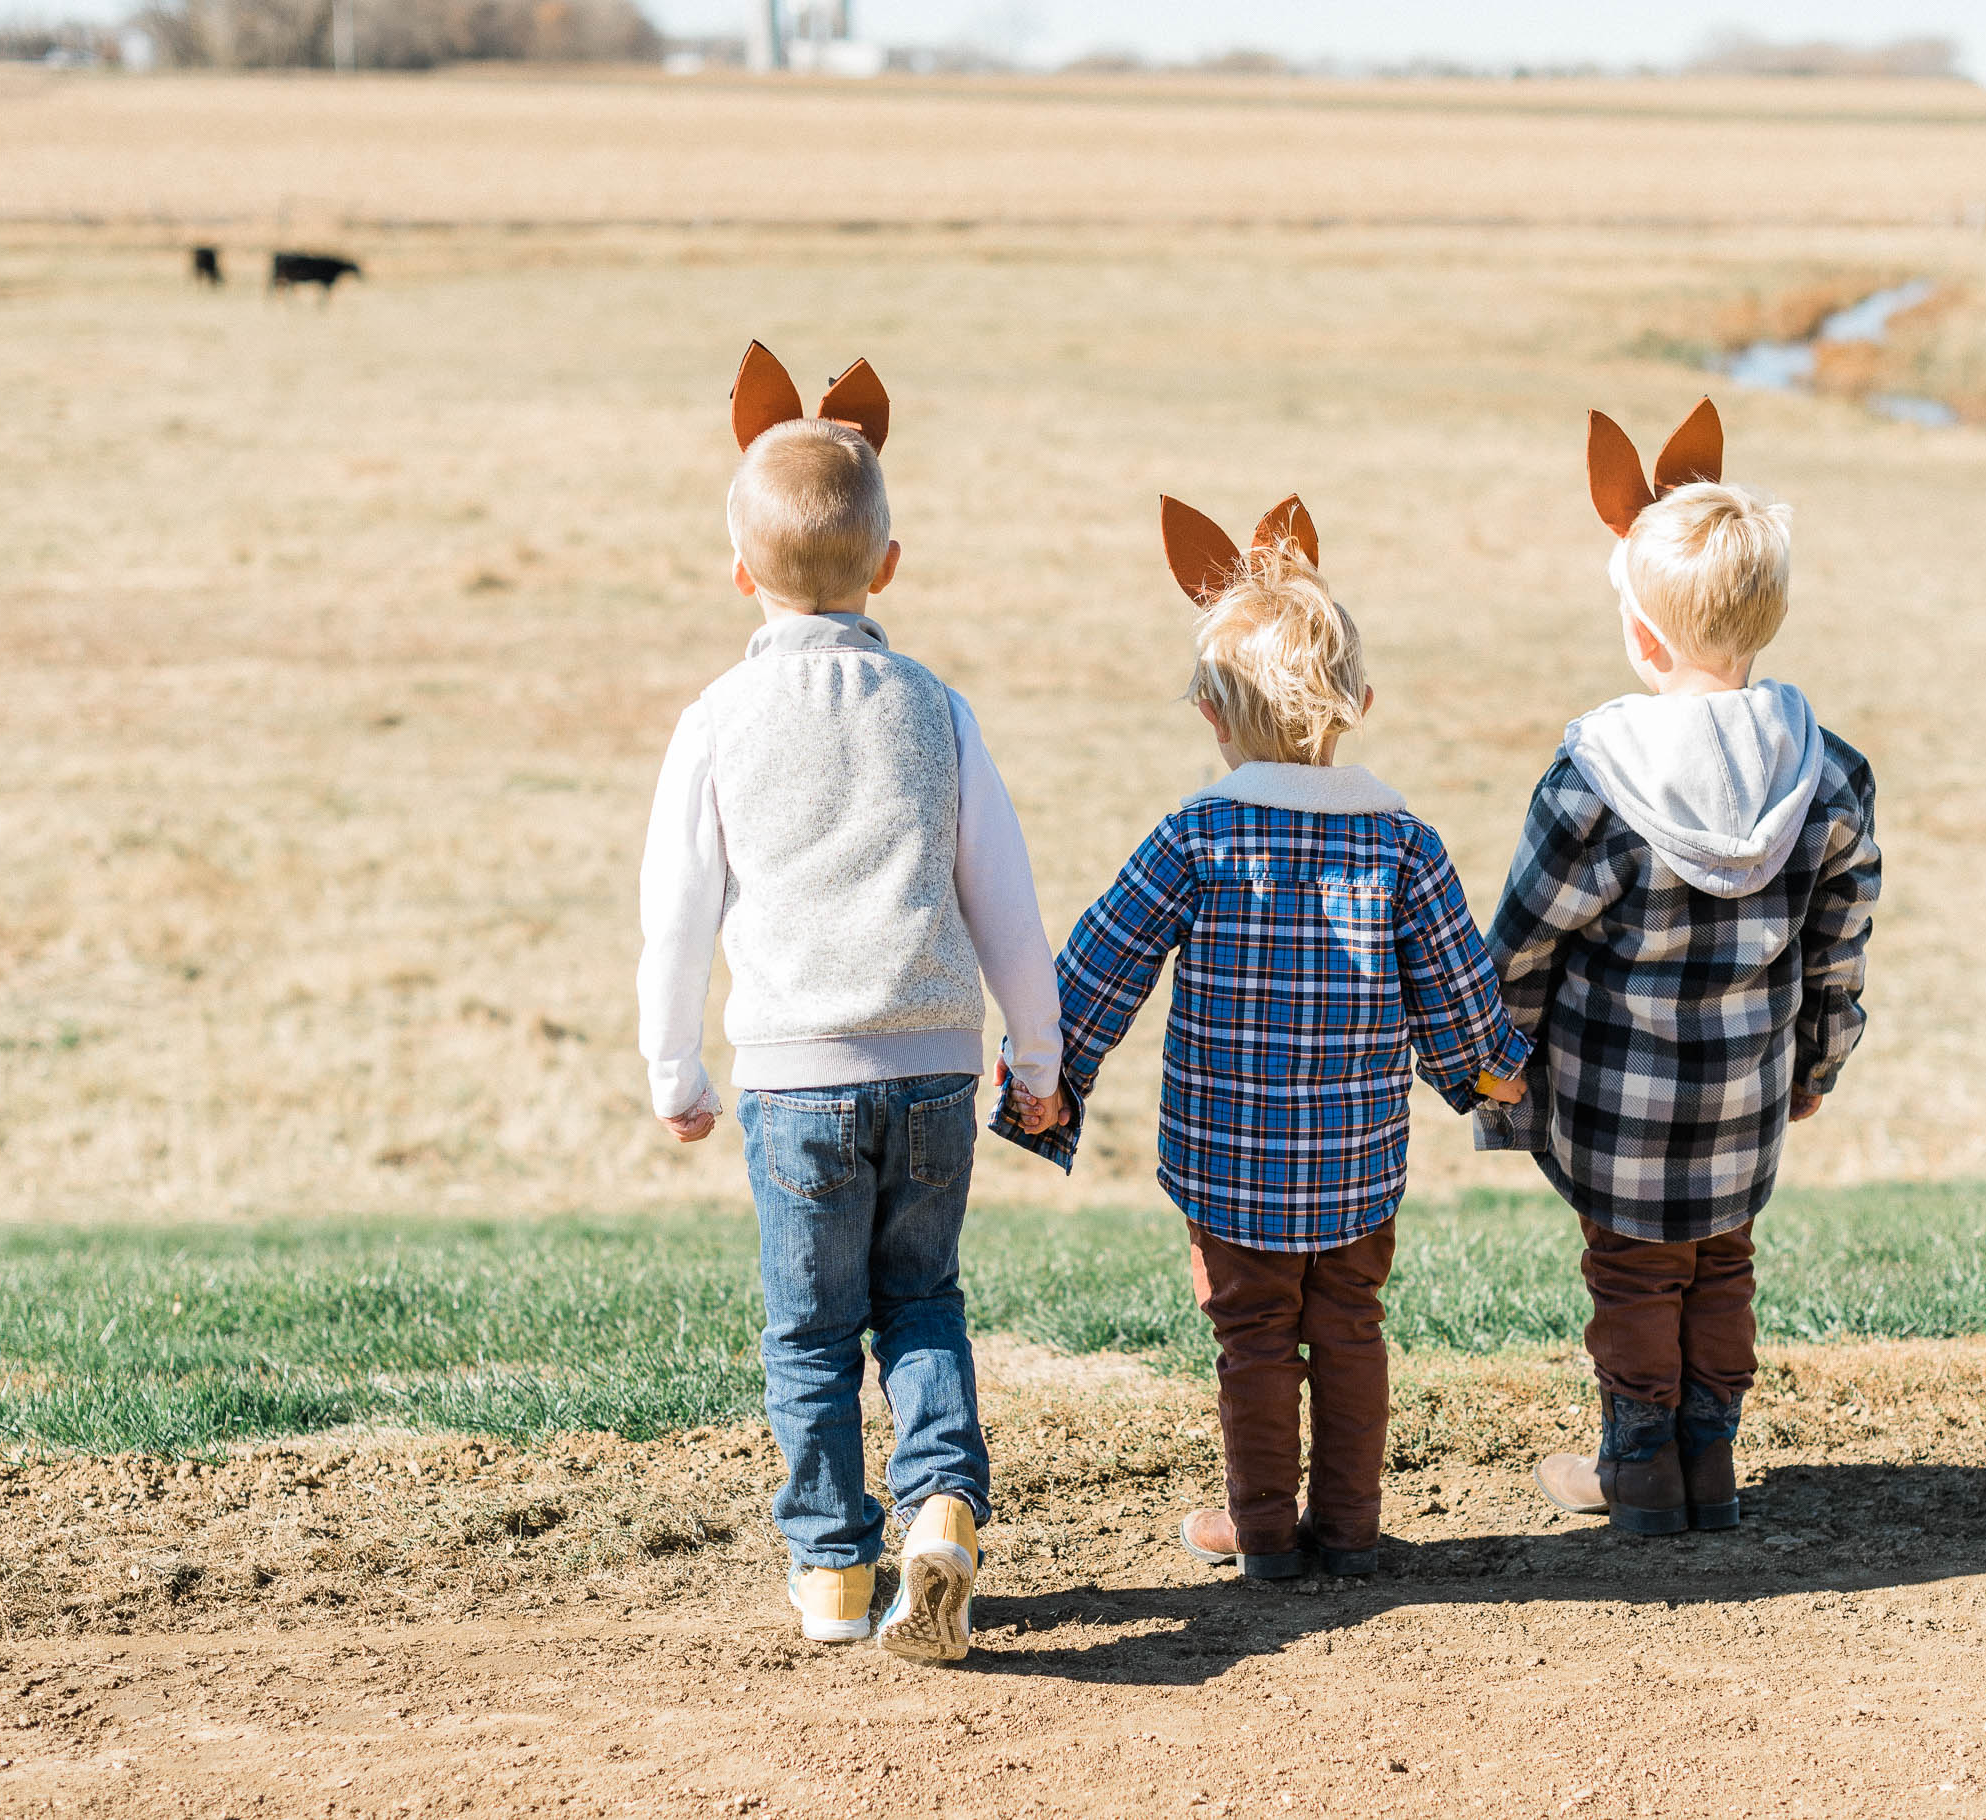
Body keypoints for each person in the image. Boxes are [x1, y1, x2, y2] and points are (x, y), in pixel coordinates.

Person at [1000, 493, 1527, 1580]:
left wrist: (1043, 1078)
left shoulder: (1197, 833)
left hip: (1227, 1166)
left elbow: (1102, 961)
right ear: (1359, 703)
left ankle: (1264, 1533)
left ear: (1208, 710)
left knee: (1250, 1343)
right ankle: (1348, 1526)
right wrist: (1492, 1073)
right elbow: (1456, 992)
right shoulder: (1403, 843)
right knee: (1348, 1331)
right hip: (1355, 1170)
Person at [636, 343, 1063, 1659]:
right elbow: (1004, 895)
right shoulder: (933, 708)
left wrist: (675, 1071)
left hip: (792, 1075)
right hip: (933, 1060)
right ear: (887, 565)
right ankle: (941, 1508)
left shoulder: (715, 717)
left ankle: (831, 1573)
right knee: (920, 1304)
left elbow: (677, 910)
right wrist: (1035, 1058)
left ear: (737, 574)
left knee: (810, 1332)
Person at [1481, 400, 1882, 1535]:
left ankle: (1640, 1463)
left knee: (1633, 1273)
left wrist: (1489, 1061)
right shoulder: (1829, 773)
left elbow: (1520, 941)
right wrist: (1816, 1063)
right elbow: (1839, 944)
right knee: (1720, 1266)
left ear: (1640, 635)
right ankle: (1711, 1457)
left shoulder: (1593, 779)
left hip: (1617, 1104)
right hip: (1746, 1096)